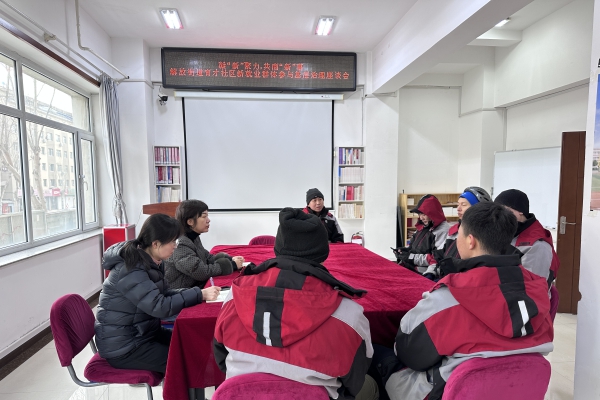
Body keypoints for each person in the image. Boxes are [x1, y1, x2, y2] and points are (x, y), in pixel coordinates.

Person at [372, 202, 554, 400]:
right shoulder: (539, 291)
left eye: (459, 232)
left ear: (470, 241)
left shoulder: (448, 297)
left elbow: (409, 352)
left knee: (378, 352)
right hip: (520, 390)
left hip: (446, 391)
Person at [213, 207, 375, 400]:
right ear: (323, 253)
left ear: (278, 247)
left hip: (239, 395)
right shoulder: (350, 315)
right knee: (372, 387)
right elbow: (354, 381)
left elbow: (220, 356)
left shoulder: (234, 296)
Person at [94, 213, 221, 373]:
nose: (175, 246)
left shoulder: (151, 261)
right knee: (187, 360)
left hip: (144, 333)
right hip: (124, 346)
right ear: (155, 244)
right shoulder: (131, 269)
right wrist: (199, 295)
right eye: (172, 241)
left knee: (193, 344)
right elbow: (159, 307)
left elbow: (164, 294)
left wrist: (198, 293)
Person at [165, 199, 245, 290]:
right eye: (204, 216)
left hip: (193, 287)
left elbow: (206, 257)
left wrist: (230, 260)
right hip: (181, 291)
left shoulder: (193, 236)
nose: (208, 220)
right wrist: (232, 265)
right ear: (190, 222)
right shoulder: (181, 244)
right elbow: (200, 272)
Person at [494, 189, 560, 286]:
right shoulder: (507, 232)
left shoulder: (537, 245)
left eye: (503, 210)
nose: (498, 216)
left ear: (520, 211)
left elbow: (531, 287)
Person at [422, 187, 491, 279]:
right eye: (458, 204)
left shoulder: (485, 236)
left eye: (463, 205)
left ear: (478, 208)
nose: (458, 208)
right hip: (444, 280)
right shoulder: (454, 230)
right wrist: (431, 272)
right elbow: (438, 257)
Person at [394, 194, 450, 273]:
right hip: (411, 267)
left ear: (433, 213)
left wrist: (411, 257)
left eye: (424, 214)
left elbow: (436, 258)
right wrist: (405, 251)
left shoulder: (442, 231)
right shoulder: (423, 226)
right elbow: (414, 247)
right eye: (419, 214)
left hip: (424, 273)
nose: (421, 218)